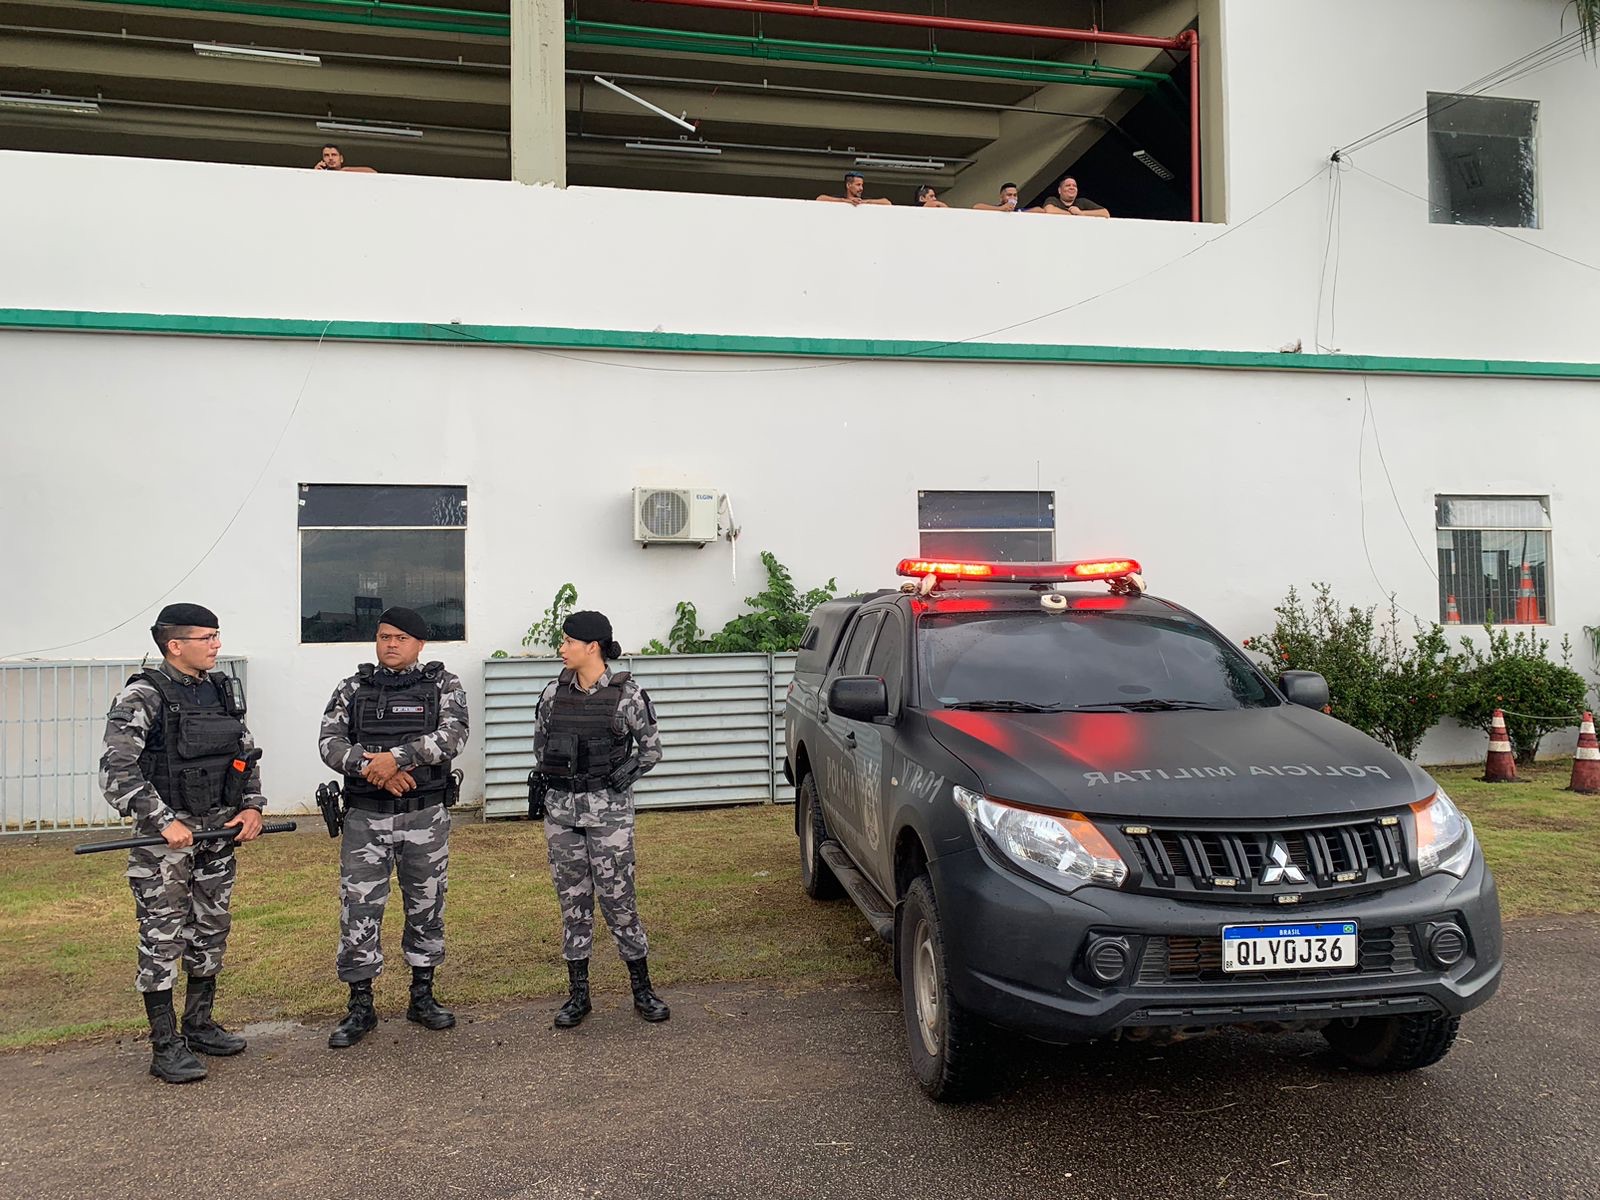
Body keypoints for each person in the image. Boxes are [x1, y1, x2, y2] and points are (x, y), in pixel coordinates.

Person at [99, 603, 267, 1084]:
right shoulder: (143, 696)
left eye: (217, 636)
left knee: (210, 927)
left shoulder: (220, 690)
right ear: (175, 645)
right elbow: (116, 771)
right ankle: (165, 1044)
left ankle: (199, 1024)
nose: (217, 644)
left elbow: (244, 754)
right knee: (162, 935)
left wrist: (251, 807)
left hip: (217, 833)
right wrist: (162, 820)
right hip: (166, 843)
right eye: (207, 637)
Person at [318, 606, 469, 1049]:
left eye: (401, 638)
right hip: (366, 819)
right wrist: (375, 770)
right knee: (359, 910)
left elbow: (454, 736)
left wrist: (397, 758)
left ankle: (422, 997)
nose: (391, 644)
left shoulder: (444, 685)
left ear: (420, 644)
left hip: (425, 817)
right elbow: (329, 743)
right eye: (384, 636)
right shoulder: (353, 688)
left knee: (426, 904)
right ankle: (360, 1006)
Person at [534, 611, 668, 1027]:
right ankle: (578, 996)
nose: (561, 648)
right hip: (562, 816)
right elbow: (541, 749)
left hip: (609, 817)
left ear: (592, 646)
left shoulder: (628, 695)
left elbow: (651, 750)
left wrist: (619, 777)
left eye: (568, 641)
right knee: (572, 904)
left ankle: (642, 990)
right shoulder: (553, 694)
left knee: (619, 900)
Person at [1028, 175, 1111, 218]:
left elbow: (1105, 213)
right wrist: (1072, 214)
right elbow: (1049, 210)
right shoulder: (1053, 200)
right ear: (1059, 190)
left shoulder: (1082, 202)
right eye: (1068, 185)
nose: (1072, 187)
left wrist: (1081, 213)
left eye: (1074, 186)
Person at [816, 170, 891, 206]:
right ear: (848, 185)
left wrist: (865, 202)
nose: (861, 188)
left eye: (862, 185)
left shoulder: (863, 199)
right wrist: (845, 201)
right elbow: (820, 198)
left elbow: (887, 202)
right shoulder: (841, 198)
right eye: (858, 185)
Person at [313, 144, 377, 174]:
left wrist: (345, 170)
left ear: (341, 159)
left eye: (334, 155)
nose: (330, 158)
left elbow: (372, 172)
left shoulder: (346, 171)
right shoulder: (318, 173)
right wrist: (314, 173)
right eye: (326, 155)